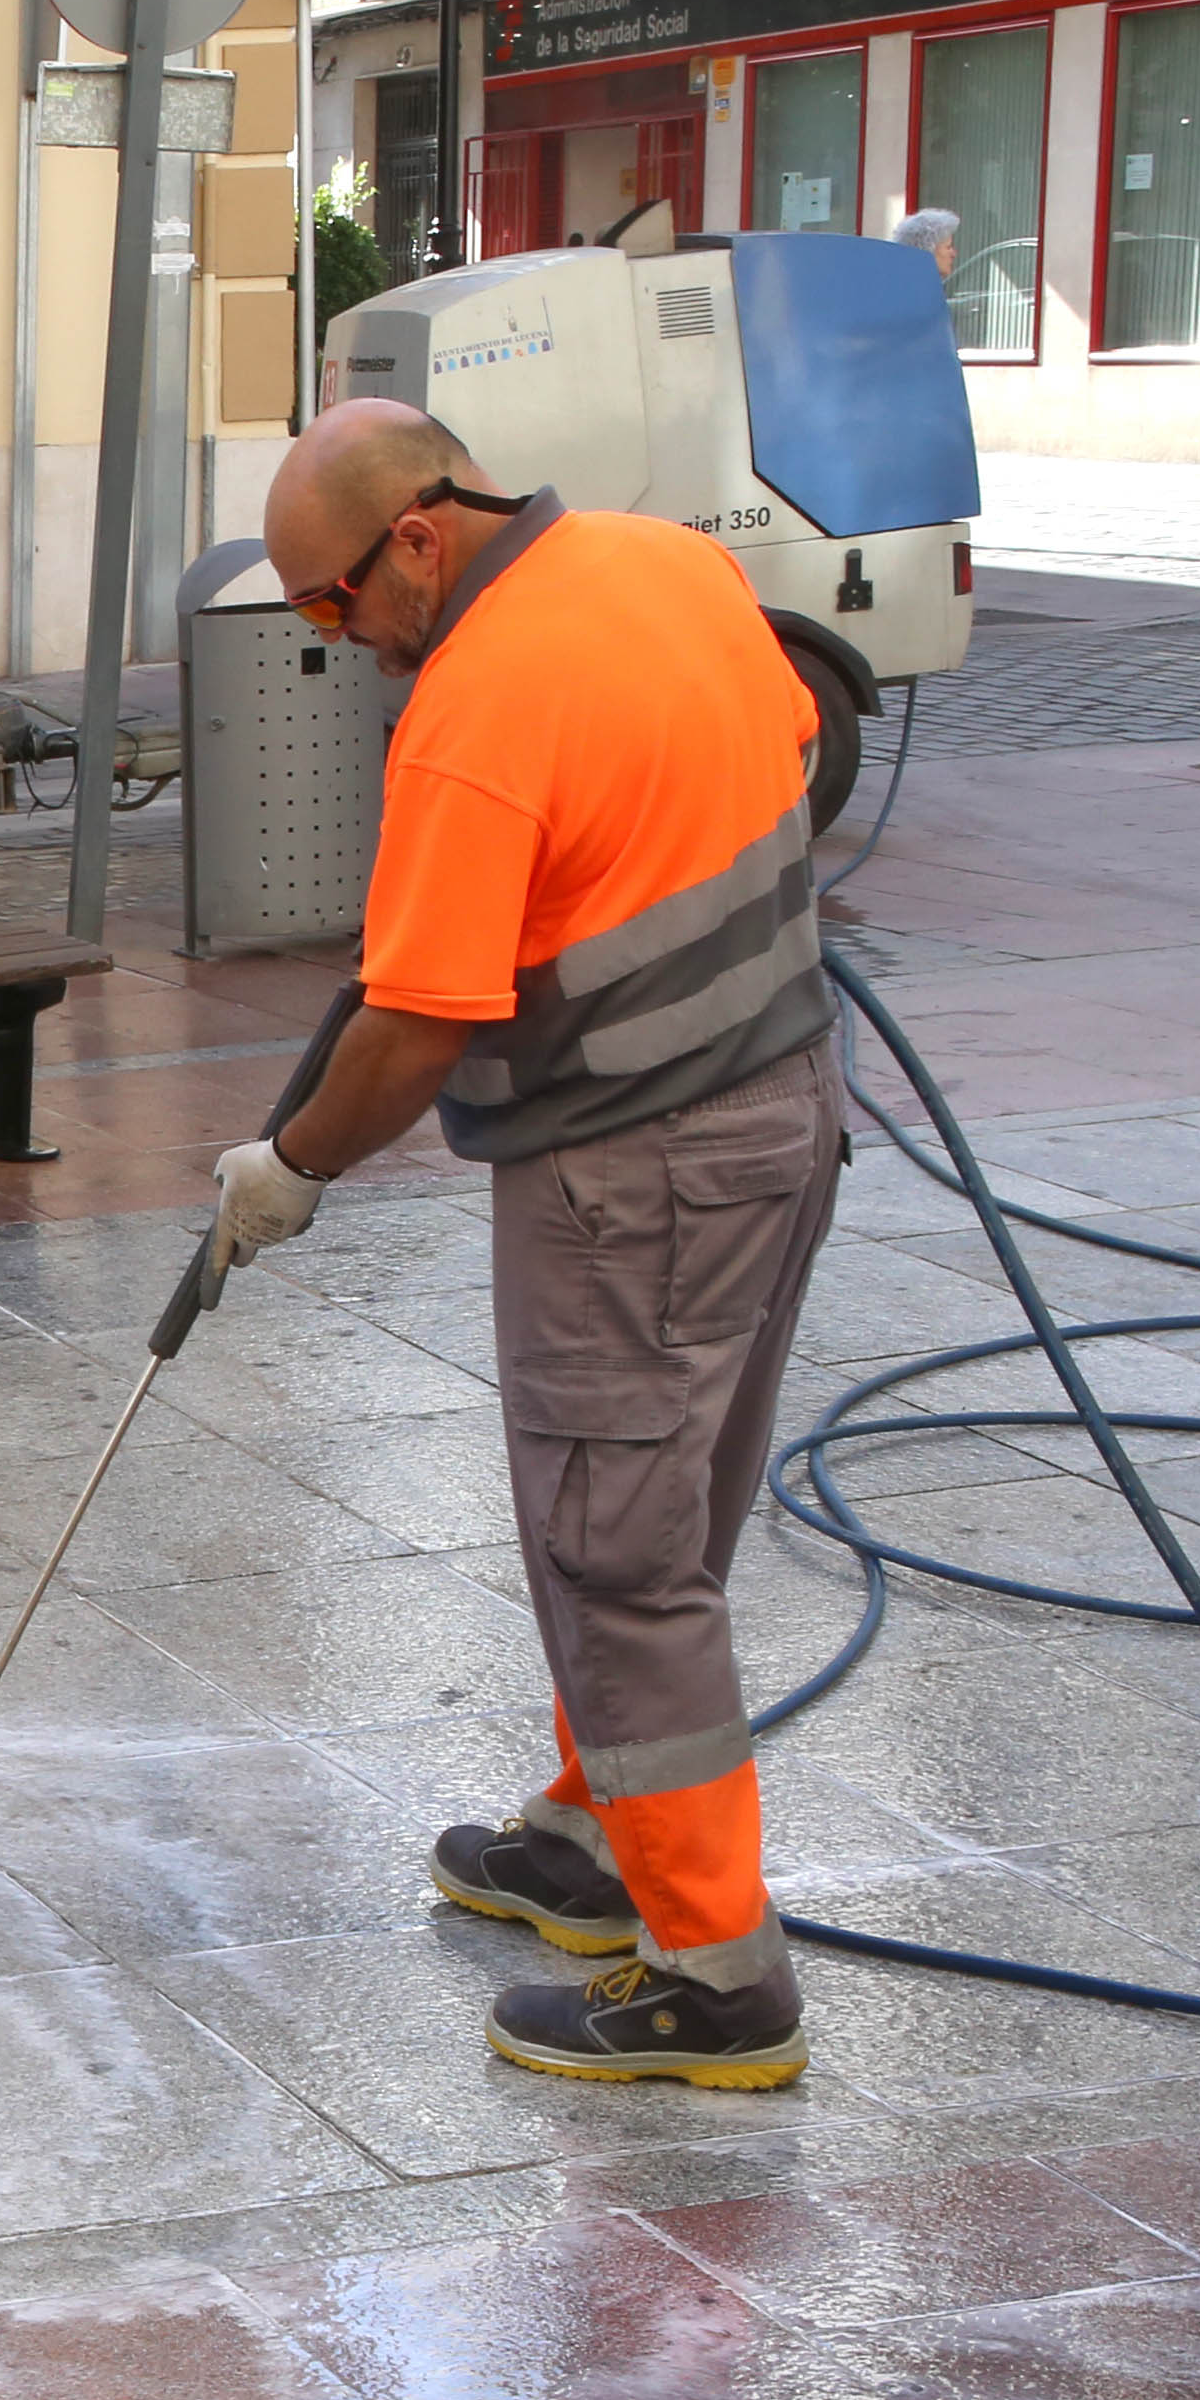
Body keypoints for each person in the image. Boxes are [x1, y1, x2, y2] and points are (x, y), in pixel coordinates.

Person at [211, 398, 847, 2088]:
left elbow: (415, 1024)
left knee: (613, 1553)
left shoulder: (474, 711)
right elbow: (778, 745)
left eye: (333, 606)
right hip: (783, 1106)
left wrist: (286, 1168)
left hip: (627, 1174)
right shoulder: (670, 565)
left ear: (417, 534)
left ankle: (716, 1980)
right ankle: (596, 1830)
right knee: (661, 1507)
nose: (335, 645)